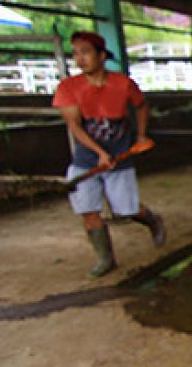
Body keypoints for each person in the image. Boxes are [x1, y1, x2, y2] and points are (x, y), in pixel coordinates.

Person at [52, 31, 166, 277]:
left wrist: (141, 136)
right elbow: (75, 126)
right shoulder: (68, 87)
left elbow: (141, 106)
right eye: (76, 54)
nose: (80, 59)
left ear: (102, 55)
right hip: (86, 159)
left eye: (86, 52)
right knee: (88, 210)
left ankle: (152, 220)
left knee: (126, 209)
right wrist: (99, 153)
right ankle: (106, 259)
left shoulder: (122, 83)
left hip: (120, 157)